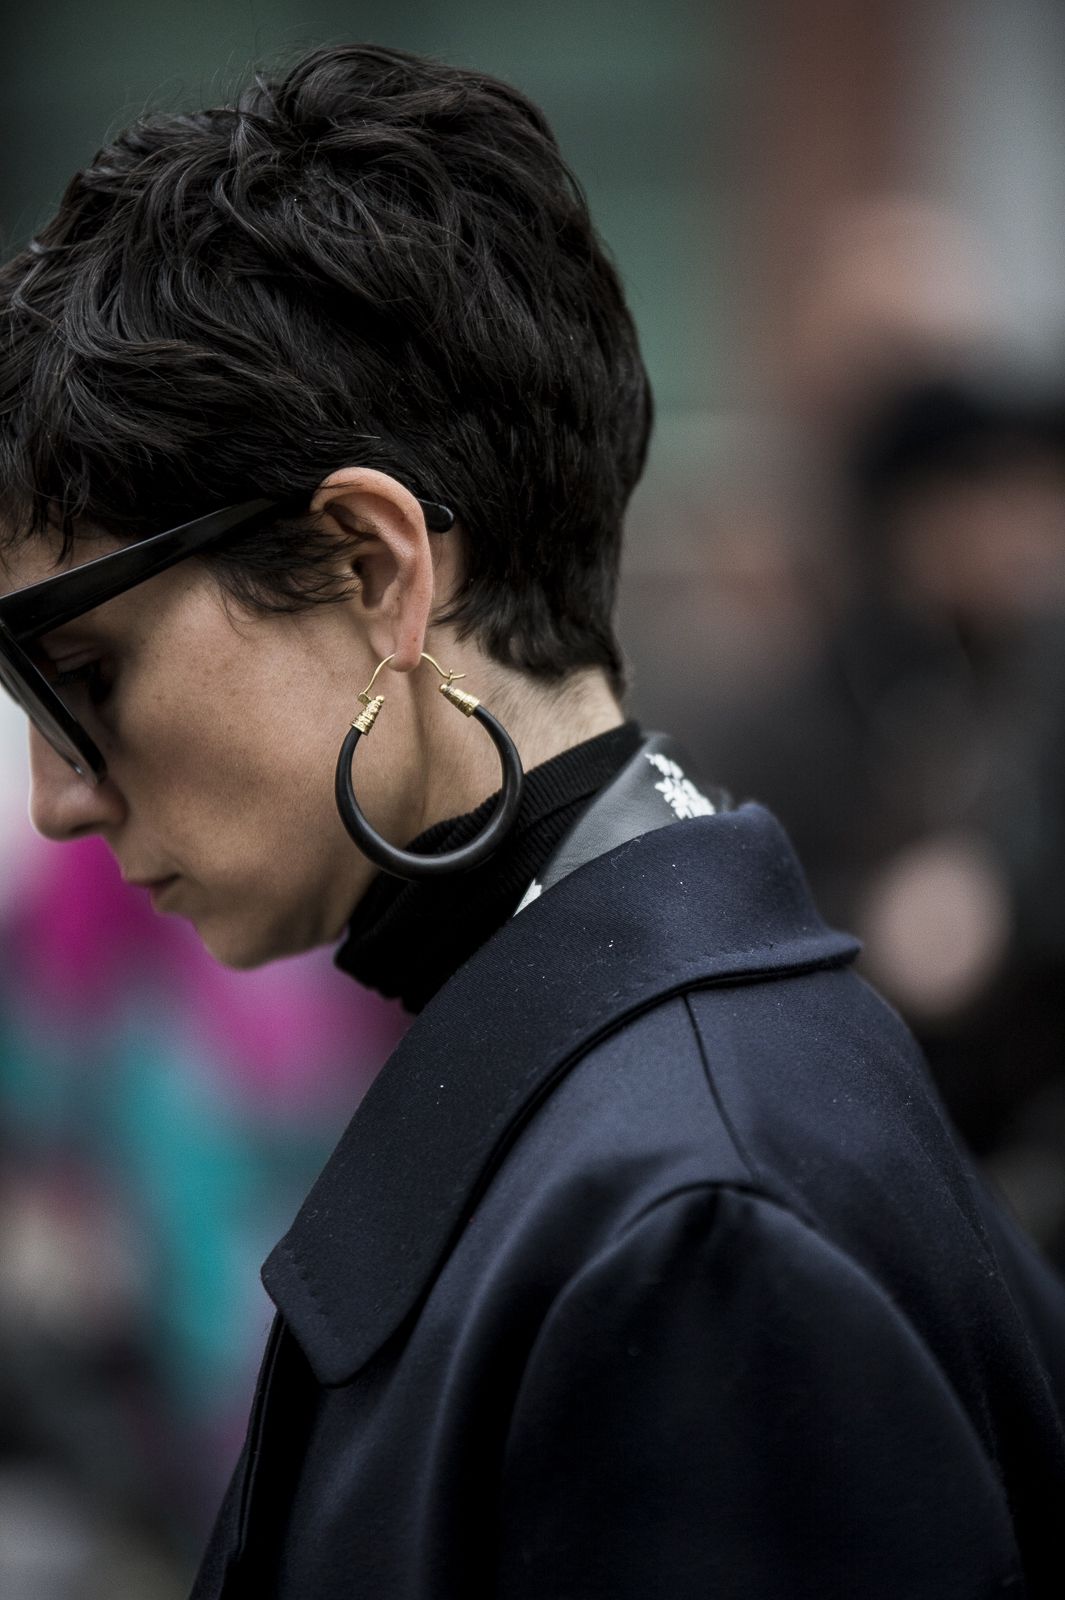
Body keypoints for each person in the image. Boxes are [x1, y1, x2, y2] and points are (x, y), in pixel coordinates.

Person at [0, 43, 1062, 1600]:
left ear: (374, 570)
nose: (59, 797)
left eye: (83, 674)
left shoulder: (690, 1230)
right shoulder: (659, 1120)